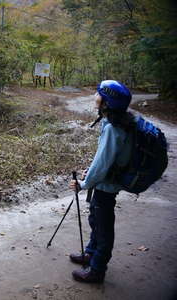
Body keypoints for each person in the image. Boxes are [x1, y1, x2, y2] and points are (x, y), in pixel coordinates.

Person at [69, 80, 135, 283]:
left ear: (107, 101)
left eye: (99, 94)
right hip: (107, 183)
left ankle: (97, 269)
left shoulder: (112, 129)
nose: (95, 97)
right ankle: (90, 253)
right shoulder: (115, 122)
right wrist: (91, 174)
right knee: (96, 220)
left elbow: (102, 164)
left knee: (103, 226)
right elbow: (106, 160)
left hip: (107, 185)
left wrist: (82, 184)